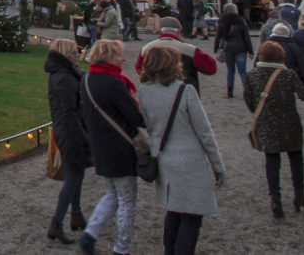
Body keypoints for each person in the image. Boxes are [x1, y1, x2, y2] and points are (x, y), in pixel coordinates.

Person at [138, 45, 225, 255]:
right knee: (191, 216)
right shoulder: (185, 91)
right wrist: (218, 166)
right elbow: (205, 133)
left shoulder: (144, 91)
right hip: (189, 161)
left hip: (164, 157)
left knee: (174, 212)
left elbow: (148, 128)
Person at [78, 39, 144, 255]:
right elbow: (134, 117)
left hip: (99, 144)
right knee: (126, 200)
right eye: (118, 55)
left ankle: (90, 234)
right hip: (120, 147)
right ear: (107, 56)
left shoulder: (87, 79)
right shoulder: (113, 83)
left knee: (112, 195)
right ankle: (121, 247)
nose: (122, 59)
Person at [245, 40, 304, 218]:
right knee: (296, 159)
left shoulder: (252, 74)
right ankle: (299, 196)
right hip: (289, 123)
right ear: (281, 56)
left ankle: (275, 198)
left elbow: (249, 99)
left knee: (272, 160)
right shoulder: (289, 75)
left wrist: (260, 113)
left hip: (266, 123)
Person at [45, 38, 92, 244]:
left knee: (77, 173)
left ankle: (76, 214)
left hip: (70, 127)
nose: (77, 55)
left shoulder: (68, 74)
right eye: (73, 52)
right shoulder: (63, 78)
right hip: (70, 130)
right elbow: (69, 111)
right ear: (65, 54)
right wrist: (82, 136)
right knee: (72, 176)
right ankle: (56, 223)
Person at [136, 17, 218, 96]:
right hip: (184, 94)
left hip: (154, 93)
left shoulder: (147, 48)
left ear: (161, 31)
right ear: (179, 31)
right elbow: (211, 68)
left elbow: (139, 69)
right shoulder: (190, 50)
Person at [214, 3, 253, 98]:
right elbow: (246, 37)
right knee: (242, 71)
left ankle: (230, 91)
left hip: (228, 47)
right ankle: (246, 90)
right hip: (240, 47)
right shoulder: (240, 20)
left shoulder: (222, 21)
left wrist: (216, 48)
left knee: (230, 70)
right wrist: (251, 51)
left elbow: (218, 36)